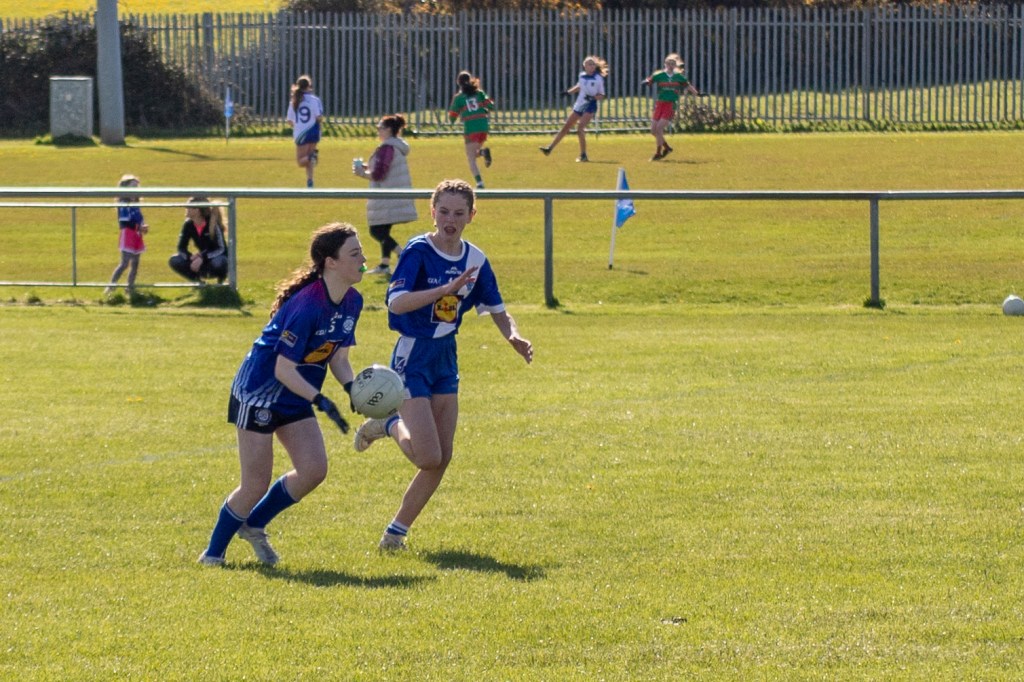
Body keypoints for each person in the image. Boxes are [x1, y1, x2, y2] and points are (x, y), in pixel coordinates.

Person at [353, 179, 534, 551]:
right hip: (413, 354)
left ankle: (395, 534)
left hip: (445, 356)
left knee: (442, 457)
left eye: (459, 213)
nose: (451, 219)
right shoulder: (419, 251)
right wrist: (444, 290)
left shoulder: (476, 259)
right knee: (428, 455)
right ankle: (388, 424)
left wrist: (513, 336)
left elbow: (497, 309)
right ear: (432, 212)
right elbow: (396, 302)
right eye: (444, 211)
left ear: (471, 215)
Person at [198, 223, 367, 566]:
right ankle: (212, 556)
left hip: (295, 393)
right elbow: (282, 369)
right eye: (355, 254)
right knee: (255, 483)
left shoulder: (353, 301)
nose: (364, 260)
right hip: (258, 393)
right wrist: (321, 400)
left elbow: (339, 358)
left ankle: (254, 524)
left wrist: (352, 389)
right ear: (331, 262)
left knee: (313, 470)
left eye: (361, 252)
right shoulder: (307, 306)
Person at [352, 113, 418, 277]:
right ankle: (384, 264)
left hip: (386, 196)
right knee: (383, 230)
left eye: (380, 127)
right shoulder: (397, 146)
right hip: (395, 194)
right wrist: (367, 167)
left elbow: (379, 174)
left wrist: (361, 172)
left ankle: (402, 254)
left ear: (389, 130)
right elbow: (384, 167)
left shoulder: (387, 148)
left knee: (376, 231)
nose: (378, 130)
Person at [539, 55, 609, 162]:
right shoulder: (581, 76)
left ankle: (583, 155)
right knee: (566, 127)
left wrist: (592, 97)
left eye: (593, 64)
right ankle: (549, 148)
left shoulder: (598, 78)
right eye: (589, 64)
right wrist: (568, 92)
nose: (592, 66)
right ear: (584, 66)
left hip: (590, 106)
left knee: (580, 128)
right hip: (579, 105)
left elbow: (602, 95)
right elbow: (579, 86)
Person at [643, 53, 701, 161]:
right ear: (665, 64)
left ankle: (658, 153)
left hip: (670, 105)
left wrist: (697, 93)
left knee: (659, 128)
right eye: (668, 63)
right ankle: (667, 148)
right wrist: (646, 82)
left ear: (675, 65)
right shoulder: (659, 75)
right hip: (660, 104)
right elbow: (650, 80)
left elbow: (688, 86)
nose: (670, 65)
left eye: (673, 63)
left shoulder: (678, 77)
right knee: (653, 131)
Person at [447, 71, 495, 189]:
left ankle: (480, 184)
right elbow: (490, 106)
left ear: (458, 83)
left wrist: (453, 119)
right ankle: (483, 152)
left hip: (471, 129)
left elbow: (452, 117)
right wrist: (483, 109)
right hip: (483, 127)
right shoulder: (479, 93)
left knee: (471, 158)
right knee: (474, 153)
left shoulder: (459, 98)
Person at [104, 174, 149, 296]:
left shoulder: (135, 204)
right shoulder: (124, 203)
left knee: (135, 264)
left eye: (136, 187)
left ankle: (130, 288)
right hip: (128, 234)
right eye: (132, 187)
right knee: (124, 263)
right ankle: (111, 287)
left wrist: (143, 226)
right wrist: (139, 227)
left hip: (137, 234)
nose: (135, 190)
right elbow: (125, 222)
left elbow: (139, 218)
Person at [168, 197, 229, 284]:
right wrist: (190, 258)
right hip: (201, 260)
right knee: (175, 260)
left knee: (220, 261)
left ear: (197, 210)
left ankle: (221, 284)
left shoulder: (213, 223)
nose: (186, 208)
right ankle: (198, 282)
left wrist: (202, 257)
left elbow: (221, 249)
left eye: (189, 207)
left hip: (214, 259)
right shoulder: (188, 224)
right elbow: (181, 247)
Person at [286, 74, 325, 188]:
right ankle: (310, 181)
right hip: (314, 131)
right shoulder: (315, 100)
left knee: (301, 161)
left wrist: (297, 125)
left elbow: (289, 120)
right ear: (309, 86)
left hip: (301, 133)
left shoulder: (294, 100)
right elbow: (319, 117)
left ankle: (312, 158)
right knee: (308, 158)